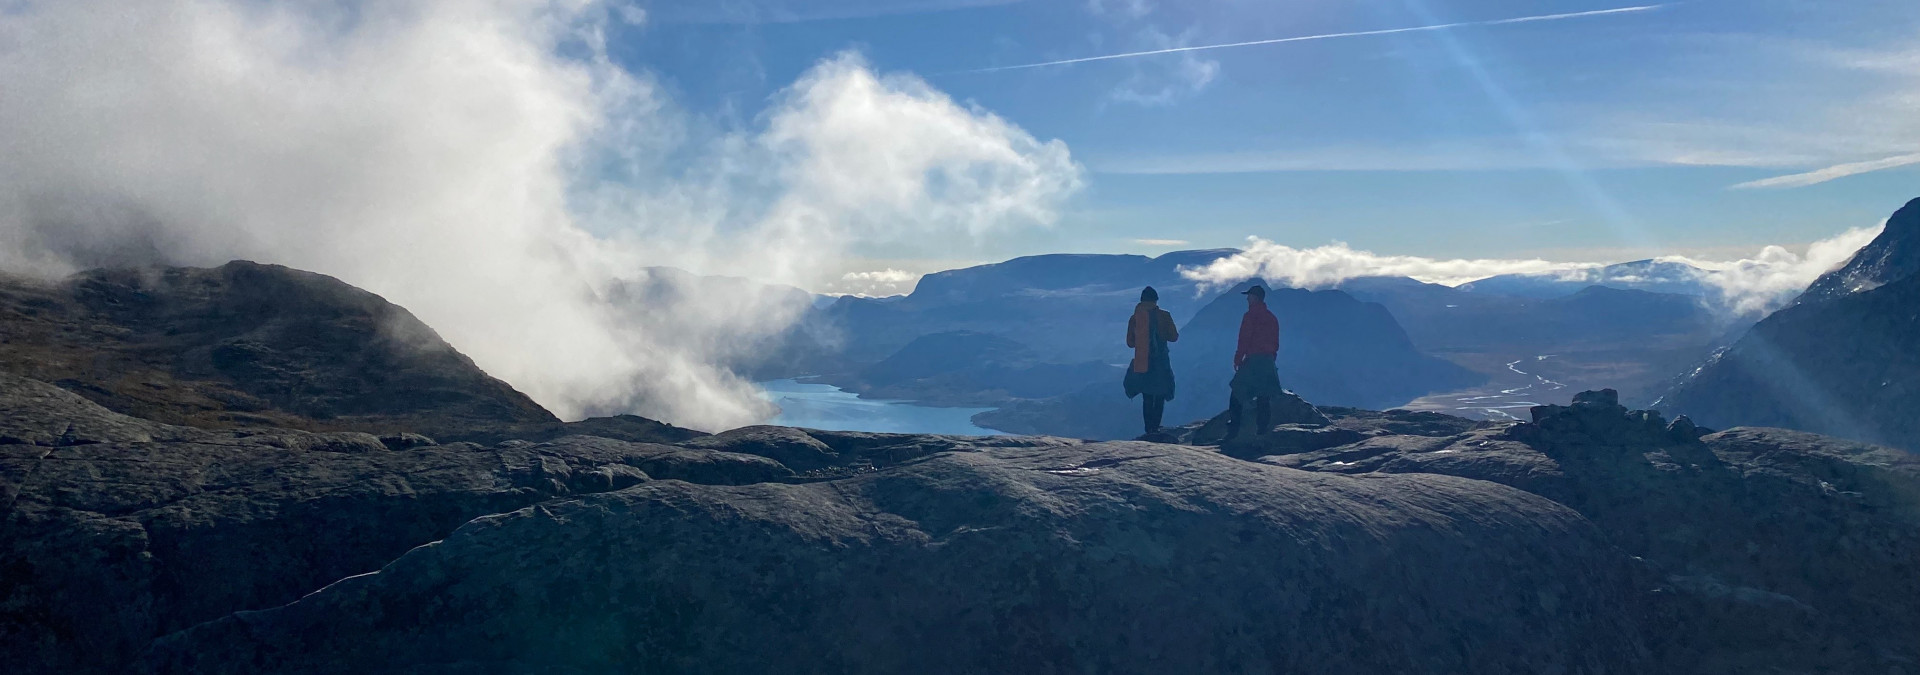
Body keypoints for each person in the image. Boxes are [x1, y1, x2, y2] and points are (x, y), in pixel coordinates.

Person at [1225, 284, 1282, 439]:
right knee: (1264, 396)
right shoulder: (1272, 317)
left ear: (1255, 298)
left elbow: (1244, 339)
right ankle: (1262, 430)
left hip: (1253, 360)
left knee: (1237, 390)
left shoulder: (1250, 316)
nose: (1247, 299)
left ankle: (1234, 428)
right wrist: (1272, 357)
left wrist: (1238, 358)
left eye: (1249, 296)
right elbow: (1275, 342)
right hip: (1268, 361)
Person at [1123, 286, 1178, 435]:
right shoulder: (1164, 315)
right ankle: (1156, 426)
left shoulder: (1134, 318)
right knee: (1159, 394)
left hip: (1142, 362)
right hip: (1161, 361)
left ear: (1141, 300)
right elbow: (1174, 337)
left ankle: (1148, 429)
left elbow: (1130, 342)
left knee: (1146, 395)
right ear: (1156, 300)